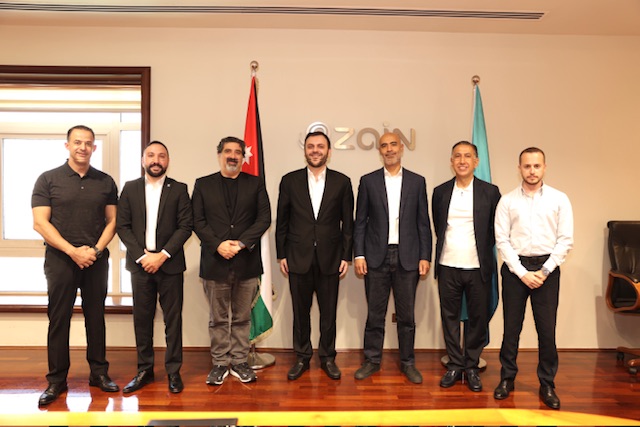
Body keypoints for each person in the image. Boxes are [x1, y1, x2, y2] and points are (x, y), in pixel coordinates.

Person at [32, 125, 119, 406]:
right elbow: (40, 223)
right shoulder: (48, 179)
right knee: (59, 319)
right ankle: (56, 380)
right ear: (67, 146)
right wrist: (72, 251)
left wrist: (95, 251)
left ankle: (99, 373)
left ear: (94, 148)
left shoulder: (105, 182)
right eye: (77, 142)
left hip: (95, 260)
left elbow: (113, 221)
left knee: (96, 317)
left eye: (88, 143)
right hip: (60, 260)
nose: (83, 147)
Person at [493, 147, 573, 410]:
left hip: (547, 269)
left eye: (536, 166)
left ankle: (547, 383)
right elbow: (502, 240)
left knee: (546, 330)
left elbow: (565, 240)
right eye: (527, 166)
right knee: (511, 329)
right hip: (515, 270)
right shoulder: (507, 201)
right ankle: (507, 378)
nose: (532, 171)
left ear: (544, 167)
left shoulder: (559, 199)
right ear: (519, 168)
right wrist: (522, 273)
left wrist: (544, 271)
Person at [353, 131, 432, 384]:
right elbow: (360, 222)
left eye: (393, 145)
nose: (389, 149)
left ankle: (408, 363)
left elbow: (423, 223)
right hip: (376, 257)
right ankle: (372, 361)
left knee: (406, 316)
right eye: (384, 145)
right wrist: (359, 254)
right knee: (375, 314)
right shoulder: (368, 181)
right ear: (379, 151)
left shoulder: (417, 182)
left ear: (401, 148)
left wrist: (425, 255)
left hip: (408, 257)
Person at [275, 131, 354, 381]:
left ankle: (328, 357)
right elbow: (282, 221)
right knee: (300, 313)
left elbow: (348, 224)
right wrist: (281, 254)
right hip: (297, 257)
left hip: (331, 258)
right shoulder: (290, 181)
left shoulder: (342, 182)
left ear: (329, 151)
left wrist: (346, 256)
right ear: (305, 151)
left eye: (320, 146)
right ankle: (302, 357)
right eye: (311, 146)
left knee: (328, 313)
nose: (315, 150)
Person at [192, 136, 271, 385]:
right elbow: (197, 221)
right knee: (218, 319)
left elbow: (264, 218)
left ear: (243, 157)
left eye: (238, 152)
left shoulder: (255, 184)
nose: (233, 156)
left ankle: (239, 361)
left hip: (246, 262)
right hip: (215, 263)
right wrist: (218, 245)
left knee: (242, 318)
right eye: (228, 151)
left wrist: (241, 243)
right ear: (219, 155)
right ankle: (219, 363)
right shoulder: (203, 185)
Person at [117, 140, 193, 394]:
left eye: (161, 156)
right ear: (143, 160)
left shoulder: (179, 189)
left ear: (167, 161)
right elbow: (122, 226)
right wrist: (142, 256)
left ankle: (173, 372)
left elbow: (185, 226)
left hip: (170, 265)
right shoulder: (130, 188)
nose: (156, 160)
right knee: (142, 320)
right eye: (151, 155)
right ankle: (144, 370)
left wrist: (162, 255)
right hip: (140, 266)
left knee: (173, 321)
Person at [432, 141, 501, 392]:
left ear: (476, 161)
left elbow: (495, 228)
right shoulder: (440, 192)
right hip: (447, 264)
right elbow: (438, 225)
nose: (462, 161)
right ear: (451, 161)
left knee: (477, 318)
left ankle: (471, 365)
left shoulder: (490, 192)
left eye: (467, 156)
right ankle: (454, 364)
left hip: (478, 266)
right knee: (449, 317)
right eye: (457, 156)